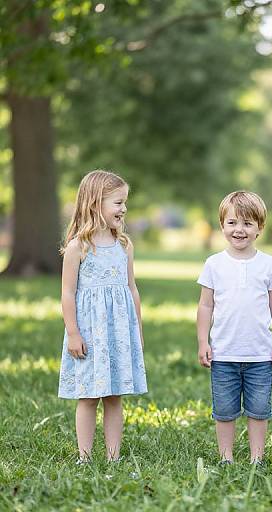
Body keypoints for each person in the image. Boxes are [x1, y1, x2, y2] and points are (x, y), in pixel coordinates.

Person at [58, 170, 147, 463]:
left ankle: (113, 456)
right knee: (88, 396)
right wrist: (73, 332)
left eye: (125, 203)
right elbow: (68, 293)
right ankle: (84, 457)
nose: (124, 209)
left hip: (118, 332)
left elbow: (131, 288)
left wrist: (138, 331)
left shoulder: (124, 245)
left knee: (114, 396)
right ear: (96, 203)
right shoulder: (78, 247)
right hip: (89, 333)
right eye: (118, 203)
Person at [196, 191, 272, 465]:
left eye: (248, 223)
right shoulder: (214, 264)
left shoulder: (268, 264)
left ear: (260, 228)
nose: (239, 230)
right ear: (222, 225)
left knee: (259, 410)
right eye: (233, 222)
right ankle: (226, 458)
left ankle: (257, 458)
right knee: (224, 410)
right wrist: (203, 342)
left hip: (259, 355)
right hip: (223, 353)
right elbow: (205, 306)